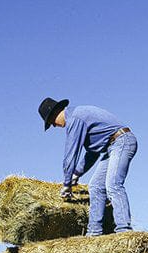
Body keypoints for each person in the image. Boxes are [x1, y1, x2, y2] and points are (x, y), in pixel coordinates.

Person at [38, 97, 138, 236]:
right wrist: (76, 174)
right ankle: (94, 232)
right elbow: (93, 153)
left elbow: (71, 154)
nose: (54, 126)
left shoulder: (75, 118)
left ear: (56, 113)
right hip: (111, 146)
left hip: (121, 141)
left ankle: (124, 231)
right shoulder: (79, 117)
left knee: (113, 185)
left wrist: (67, 184)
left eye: (51, 122)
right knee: (95, 186)